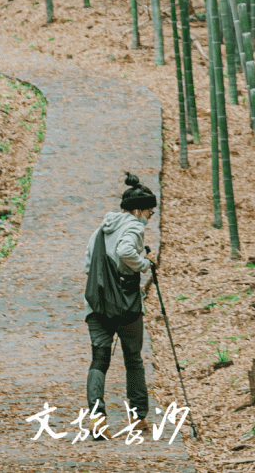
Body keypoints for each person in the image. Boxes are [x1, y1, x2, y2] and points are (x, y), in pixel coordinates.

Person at [82, 171, 158, 435]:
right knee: (133, 359)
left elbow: (88, 263)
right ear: (138, 211)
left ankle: (97, 419)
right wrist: (145, 264)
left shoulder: (101, 229)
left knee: (99, 360)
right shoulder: (135, 227)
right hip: (125, 305)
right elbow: (125, 251)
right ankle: (138, 418)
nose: (149, 219)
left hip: (97, 304)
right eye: (150, 213)